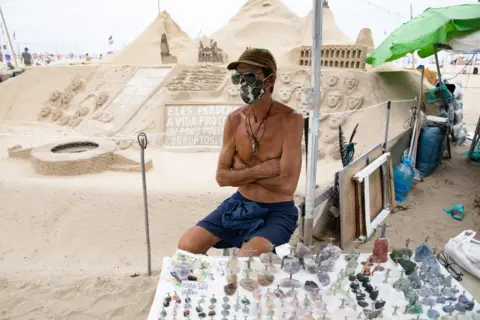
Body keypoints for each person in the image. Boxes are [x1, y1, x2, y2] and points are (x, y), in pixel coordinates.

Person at [178, 48, 304, 257]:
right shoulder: (235, 120)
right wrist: (265, 169)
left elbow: (287, 184)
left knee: (245, 260)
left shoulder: (291, 120)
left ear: (270, 79)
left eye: (250, 76)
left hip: (277, 210)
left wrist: (240, 172)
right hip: (240, 203)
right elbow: (221, 177)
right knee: (187, 247)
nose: (243, 83)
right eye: (238, 78)